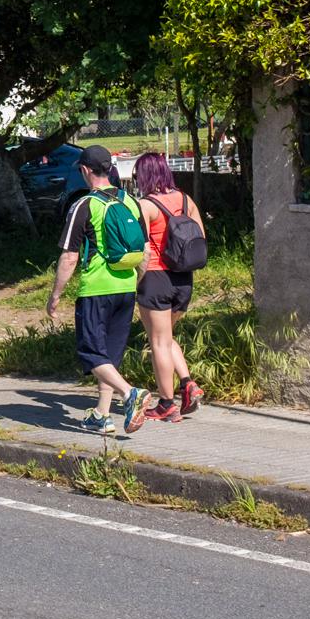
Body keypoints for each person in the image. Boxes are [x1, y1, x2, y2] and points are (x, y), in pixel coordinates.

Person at [47, 145, 150, 434]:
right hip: (126, 285)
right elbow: (145, 251)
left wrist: (55, 296)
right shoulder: (131, 201)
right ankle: (102, 415)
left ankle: (131, 394)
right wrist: (136, 283)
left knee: (91, 353)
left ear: (84, 171)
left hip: (96, 289)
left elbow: (69, 257)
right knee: (109, 356)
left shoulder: (84, 205)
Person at [134, 151, 206, 422]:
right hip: (184, 279)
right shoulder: (187, 200)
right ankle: (187, 384)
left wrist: (135, 281)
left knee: (158, 342)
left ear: (144, 176)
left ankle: (166, 404)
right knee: (167, 337)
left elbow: (140, 249)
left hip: (155, 279)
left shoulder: (145, 205)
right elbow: (199, 237)